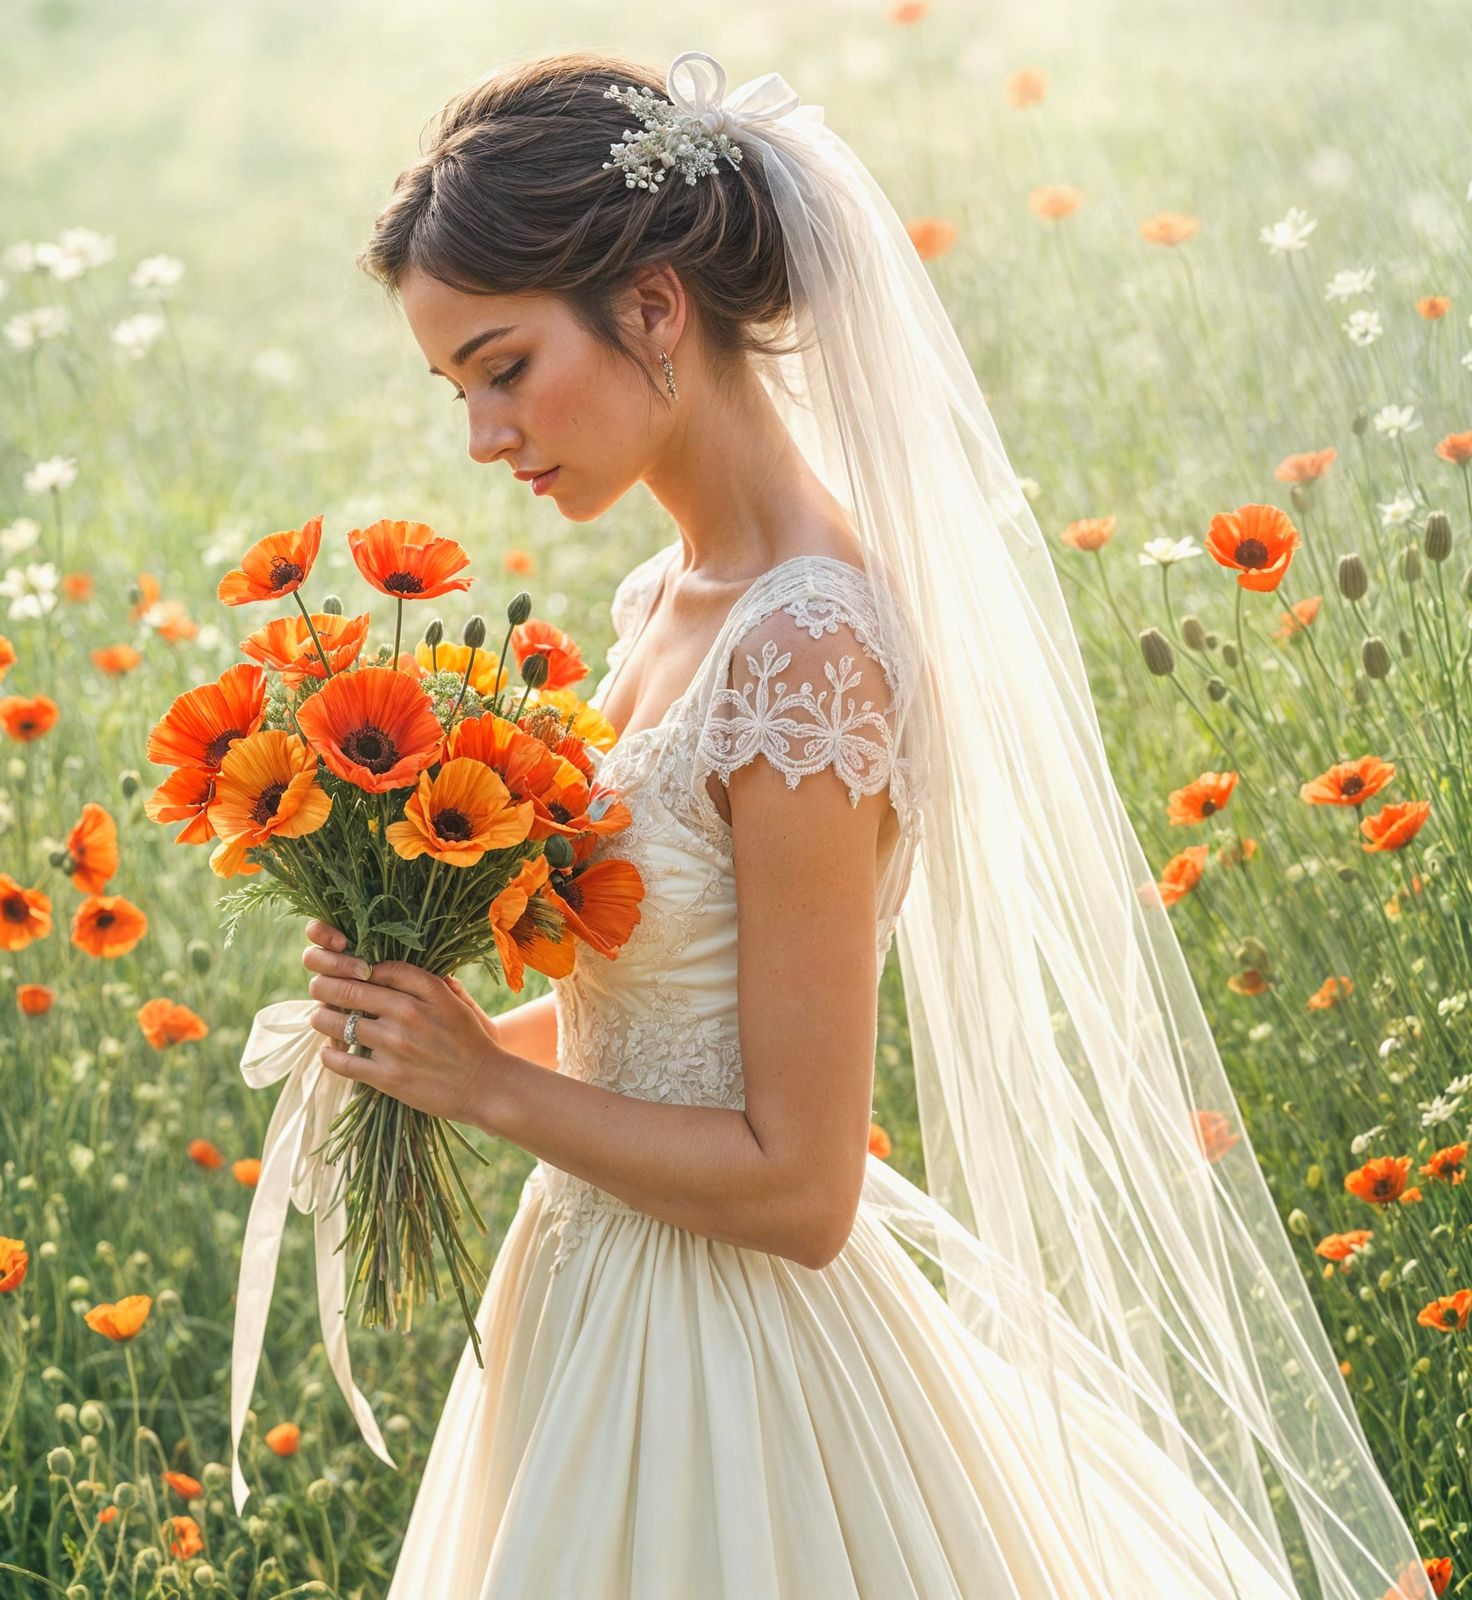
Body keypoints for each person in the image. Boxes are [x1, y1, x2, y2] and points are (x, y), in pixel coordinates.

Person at [290, 47, 1430, 1599]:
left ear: (651, 309)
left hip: (735, 1361)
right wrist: (422, 1028)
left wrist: (483, 1083)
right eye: (456, 390)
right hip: (595, 1298)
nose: (483, 438)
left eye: (501, 368)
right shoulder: (663, 598)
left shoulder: (807, 642)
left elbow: (801, 1182)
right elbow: (658, 1023)